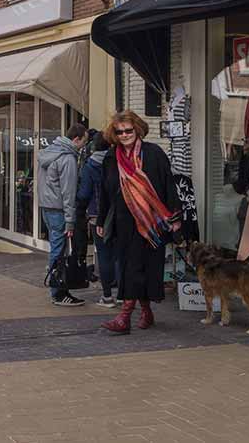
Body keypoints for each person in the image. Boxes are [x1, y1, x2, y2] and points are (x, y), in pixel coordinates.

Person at [97, 110, 182, 334]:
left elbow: (168, 185)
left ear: (137, 129)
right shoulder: (111, 158)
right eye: (119, 131)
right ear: (114, 134)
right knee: (131, 267)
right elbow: (105, 191)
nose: (124, 135)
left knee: (140, 268)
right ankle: (143, 312)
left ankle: (126, 317)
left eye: (128, 130)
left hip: (151, 222)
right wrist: (100, 218)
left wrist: (174, 217)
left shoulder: (153, 153)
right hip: (124, 223)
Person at [38, 122, 90, 307]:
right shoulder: (67, 159)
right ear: (76, 139)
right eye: (84, 141)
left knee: (56, 248)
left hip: (47, 207)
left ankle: (57, 288)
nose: (84, 146)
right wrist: (70, 220)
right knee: (59, 252)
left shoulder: (49, 152)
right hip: (59, 210)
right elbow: (68, 192)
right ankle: (58, 292)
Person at [78, 132, 117, 307]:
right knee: (120, 255)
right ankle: (124, 295)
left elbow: (85, 193)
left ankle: (107, 296)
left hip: (96, 215)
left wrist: (80, 207)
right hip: (119, 213)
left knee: (103, 254)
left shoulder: (90, 165)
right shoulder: (118, 161)